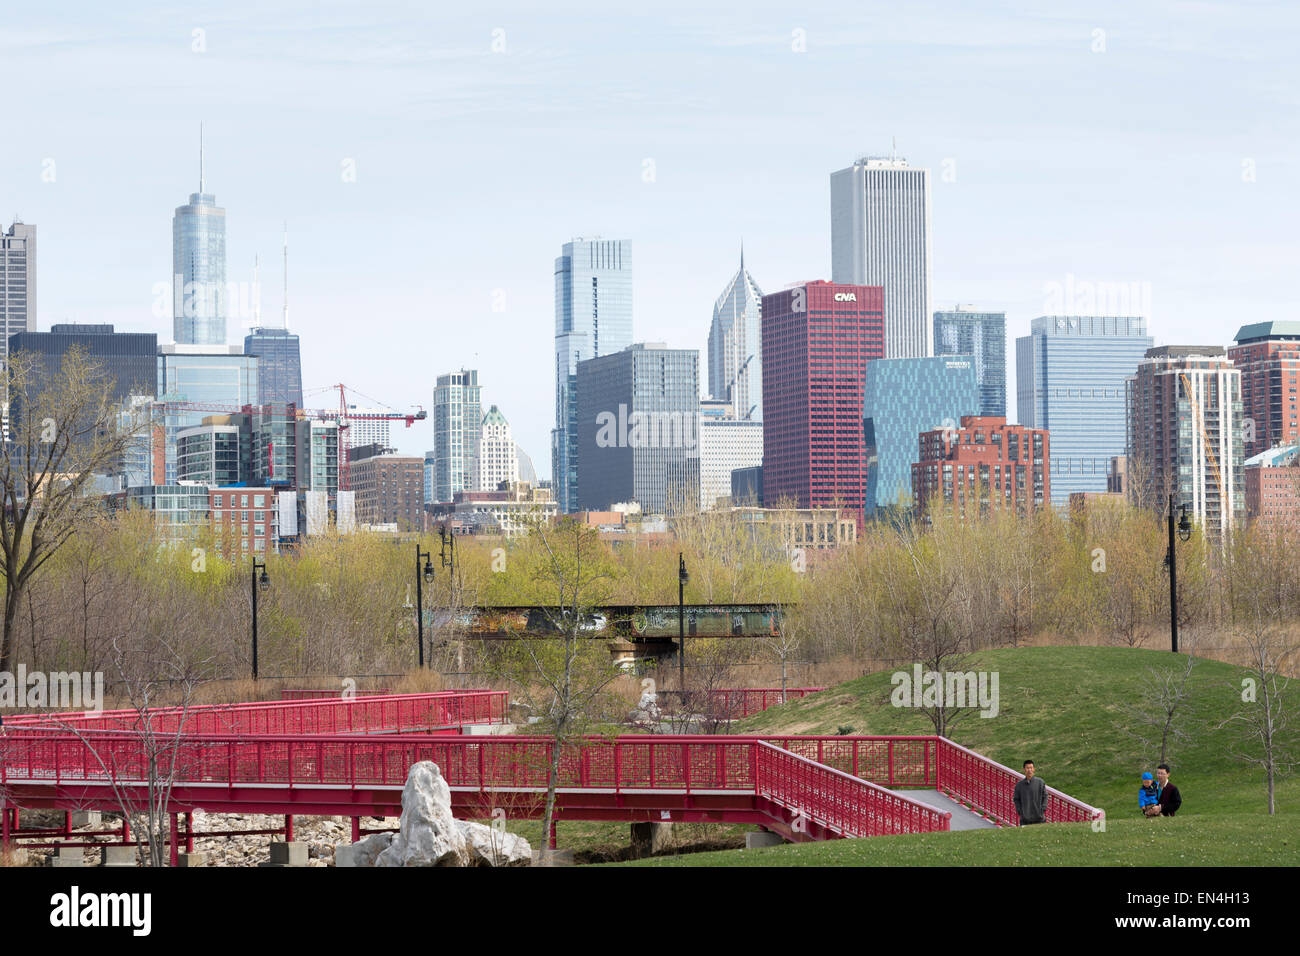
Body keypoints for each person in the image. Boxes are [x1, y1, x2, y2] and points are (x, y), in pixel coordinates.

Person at [1013, 760, 1047, 825]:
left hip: (1039, 818)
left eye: (1031, 768)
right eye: (1027, 768)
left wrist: (1043, 809)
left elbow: (1045, 796)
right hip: (1025, 820)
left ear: (1034, 769)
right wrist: (1020, 812)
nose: (1029, 770)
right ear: (1024, 769)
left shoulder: (1040, 782)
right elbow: (1016, 799)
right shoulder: (1019, 785)